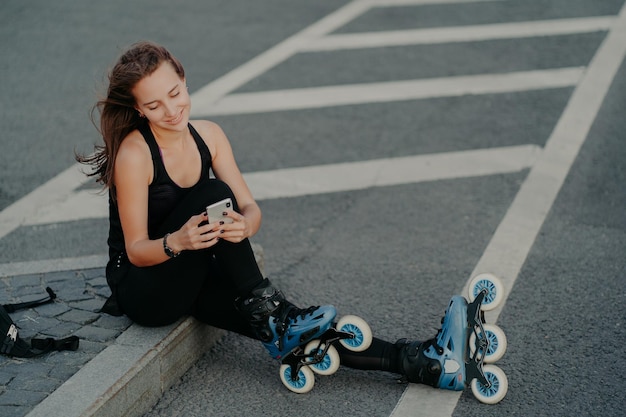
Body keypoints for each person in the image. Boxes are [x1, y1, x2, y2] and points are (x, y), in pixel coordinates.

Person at [77, 41, 444, 389]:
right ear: (139, 109)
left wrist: (244, 225)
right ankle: (268, 310)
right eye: (154, 105)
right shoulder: (135, 155)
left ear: (184, 81)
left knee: (290, 322)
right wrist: (177, 241)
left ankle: (418, 362)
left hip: (194, 269)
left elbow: (251, 209)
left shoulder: (210, 136)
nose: (171, 110)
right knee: (216, 196)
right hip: (145, 288)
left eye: (174, 94)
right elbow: (137, 250)